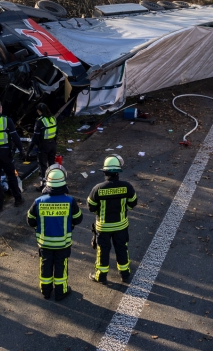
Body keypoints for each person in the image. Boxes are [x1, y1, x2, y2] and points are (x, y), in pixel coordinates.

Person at [27, 168, 82, 300]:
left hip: (44, 243)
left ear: (48, 184)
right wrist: (71, 225)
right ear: (63, 184)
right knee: (61, 266)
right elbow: (78, 218)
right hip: (63, 243)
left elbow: (30, 220)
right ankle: (61, 292)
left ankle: (45, 291)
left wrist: (38, 228)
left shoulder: (39, 201)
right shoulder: (70, 201)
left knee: (45, 265)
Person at [87, 155, 137, 285]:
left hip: (103, 227)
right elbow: (132, 203)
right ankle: (125, 274)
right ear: (118, 172)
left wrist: (101, 212)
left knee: (102, 250)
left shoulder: (97, 188)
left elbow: (91, 207)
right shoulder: (127, 187)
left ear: (105, 172)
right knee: (122, 248)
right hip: (121, 226)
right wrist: (123, 210)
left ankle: (101, 276)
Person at [25, 103, 58, 188]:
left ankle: (44, 185)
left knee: (42, 165)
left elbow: (35, 138)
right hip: (53, 145)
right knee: (51, 164)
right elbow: (56, 132)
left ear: (39, 111)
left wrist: (28, 151)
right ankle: (53, 182)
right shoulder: (53, 118)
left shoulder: (40, 121)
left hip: (43, 146)